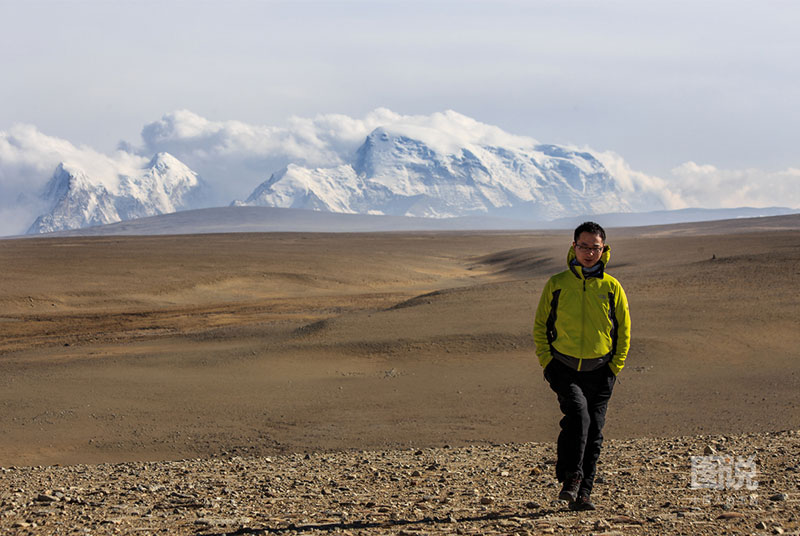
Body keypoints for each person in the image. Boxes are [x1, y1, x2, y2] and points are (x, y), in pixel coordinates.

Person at [533, 221, 631, 511]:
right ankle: (572, 477)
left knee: (595, 430)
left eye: (595, 247)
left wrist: (615, 367)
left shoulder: (612, 287)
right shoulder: (557, 284)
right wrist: (547, 362)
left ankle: (584, 492)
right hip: (563, 366)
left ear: (604, 250)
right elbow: (541, 326)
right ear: (573, 246)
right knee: (578, 415)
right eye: (584, 246)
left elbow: (623, 330)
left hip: (601, 370)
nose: (589, 253)